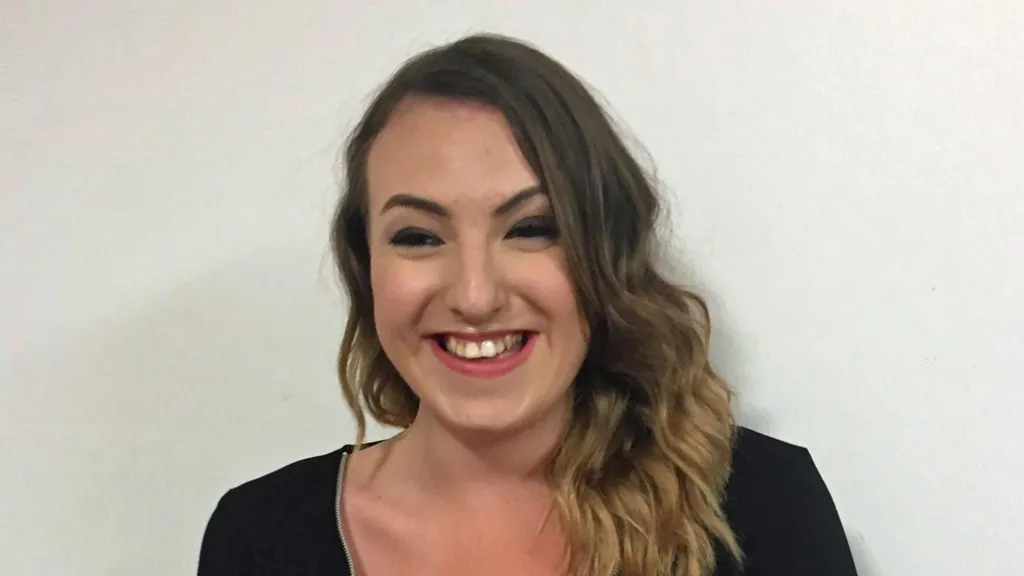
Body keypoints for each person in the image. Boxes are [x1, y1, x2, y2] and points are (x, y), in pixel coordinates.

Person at [197, 33, 858, 576]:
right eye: (419, 236)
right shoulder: (258, 538)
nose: (475, 296)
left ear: (606, 254)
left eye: (533, 228)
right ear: (365, 266)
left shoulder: (762, 505)